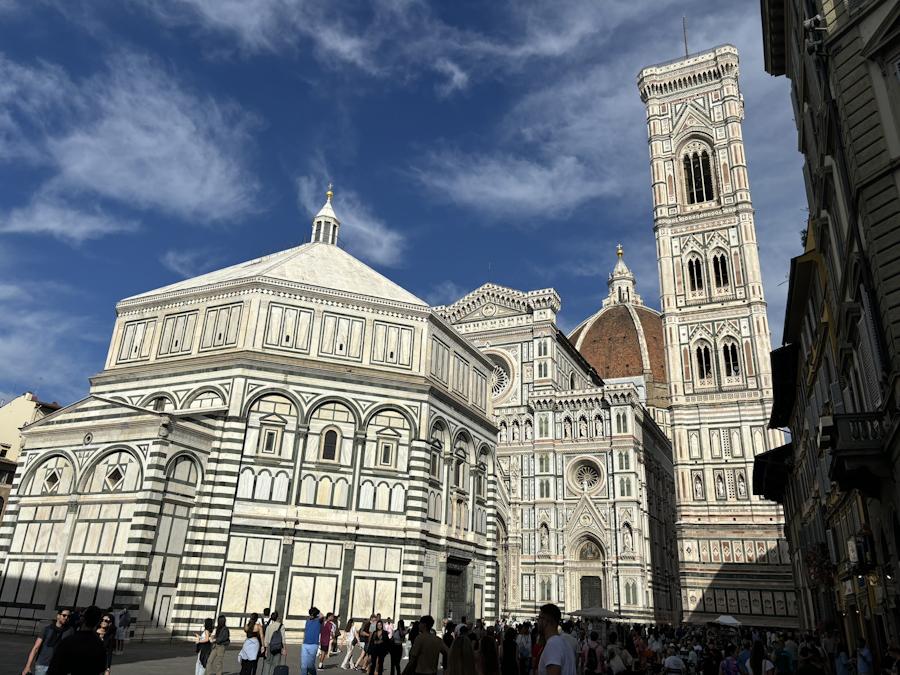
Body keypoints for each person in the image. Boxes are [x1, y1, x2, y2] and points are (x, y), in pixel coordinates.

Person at [47, 605, 107, 675]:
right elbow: (101, 669)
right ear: (98, 622)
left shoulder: (69, 641)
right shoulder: (99, 644)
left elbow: (54, 669)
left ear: (82, 619)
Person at [23, 607, 73, 675]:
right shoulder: (47, 629)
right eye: (64, 615)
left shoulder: (70, 631)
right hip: (42, 665)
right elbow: (36, 648)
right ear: (58, 616)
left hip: (58, 666)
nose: (66, 618)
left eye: (68, 616)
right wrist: (27, 666)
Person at [536, 603, 576, 675]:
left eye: (539, 618)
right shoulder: (565, 643)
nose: (537, 622)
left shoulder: (553, 644)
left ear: (546, 621)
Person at [262, 610, 286, 675]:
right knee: (275, 664)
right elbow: (283, 639)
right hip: (278, 647)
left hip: (270, 646)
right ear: (277, 617)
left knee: (267, 663)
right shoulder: (281, 626)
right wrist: (284, 649)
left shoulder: (269, 627)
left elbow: (266, 639)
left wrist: (266, 649)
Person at [302, 607, 322, 675]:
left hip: (314, 645)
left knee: (310, 665)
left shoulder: (319, 621)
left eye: (311, 614)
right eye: (309, 614)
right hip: (305, 644)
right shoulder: (308, 620)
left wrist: (317, 612)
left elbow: (322, 616)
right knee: (303, 666)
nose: (310, 616)